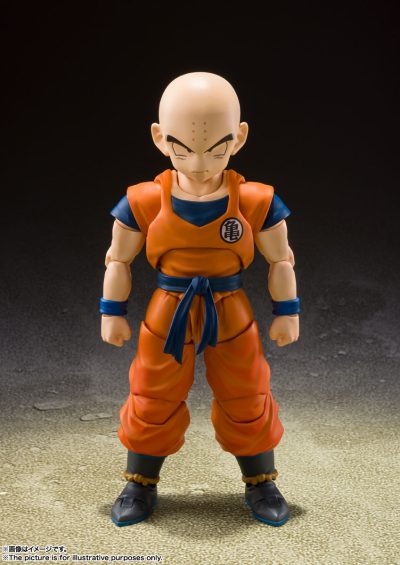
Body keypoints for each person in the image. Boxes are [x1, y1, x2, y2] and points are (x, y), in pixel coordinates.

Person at [100, 72, 300, 528]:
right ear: (159, 138)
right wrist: (111, 312)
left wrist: (287, 312)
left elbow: (281, 259)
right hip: (168, 307)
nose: (199, 162)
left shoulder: (254, 200)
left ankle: (261, 480)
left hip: (230, 305)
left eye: (216, 149)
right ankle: (139, 481)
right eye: (183, 149)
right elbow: (117, 259)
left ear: (239, 138)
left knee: (247, 390)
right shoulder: (144, 200)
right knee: (152, 391)